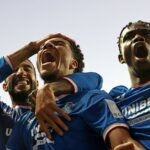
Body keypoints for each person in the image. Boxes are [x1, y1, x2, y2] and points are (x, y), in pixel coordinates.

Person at [7, 34, 144, 150]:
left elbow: (122, 142)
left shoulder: (93, 99)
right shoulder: (25, 120)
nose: (46, 46)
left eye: (58, 44)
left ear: (73, 63)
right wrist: (32, 47)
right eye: (42, 47)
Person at [0, 34, 103, 150]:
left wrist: (52, 87)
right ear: (4, 86)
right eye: (13, 70)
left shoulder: (75, 104)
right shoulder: (5, 114)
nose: (20, 73)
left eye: (28, 69)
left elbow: (95, 79)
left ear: (37, 83)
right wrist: (31, 48)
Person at [109, 20, 150, 149]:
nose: (138, 37)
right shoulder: (113, 100)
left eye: (146, 33)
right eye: (129, 37)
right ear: (121, 57)